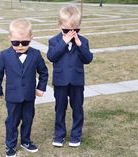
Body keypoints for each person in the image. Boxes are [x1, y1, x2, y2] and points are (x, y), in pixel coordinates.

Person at [0, 18, 48, 157]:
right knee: (12, 121)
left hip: (29, 95)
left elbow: (44, 72)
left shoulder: (35, 54)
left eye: (25, 42)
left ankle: (26, 141)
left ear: (31, 38)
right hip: (12, 97)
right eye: (15, 42)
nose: (20, 46)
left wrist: (41, 87)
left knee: (28, 119)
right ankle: (10, 145)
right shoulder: (4, 55)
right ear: (9, 38)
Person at [47, 5, 93, 147]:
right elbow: (51, 56)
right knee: (60, 108)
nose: (71, 33)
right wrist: (64, 41)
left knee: (77, 108)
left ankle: (76, 135)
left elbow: (88, 59)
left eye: (75, 30)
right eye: (67, 30)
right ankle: (59, 135)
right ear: (60, 24)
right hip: (60, 82)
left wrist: (79, 45)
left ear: (79, 26)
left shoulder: (83, 41)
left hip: (77, 81)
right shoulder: (54, 41)